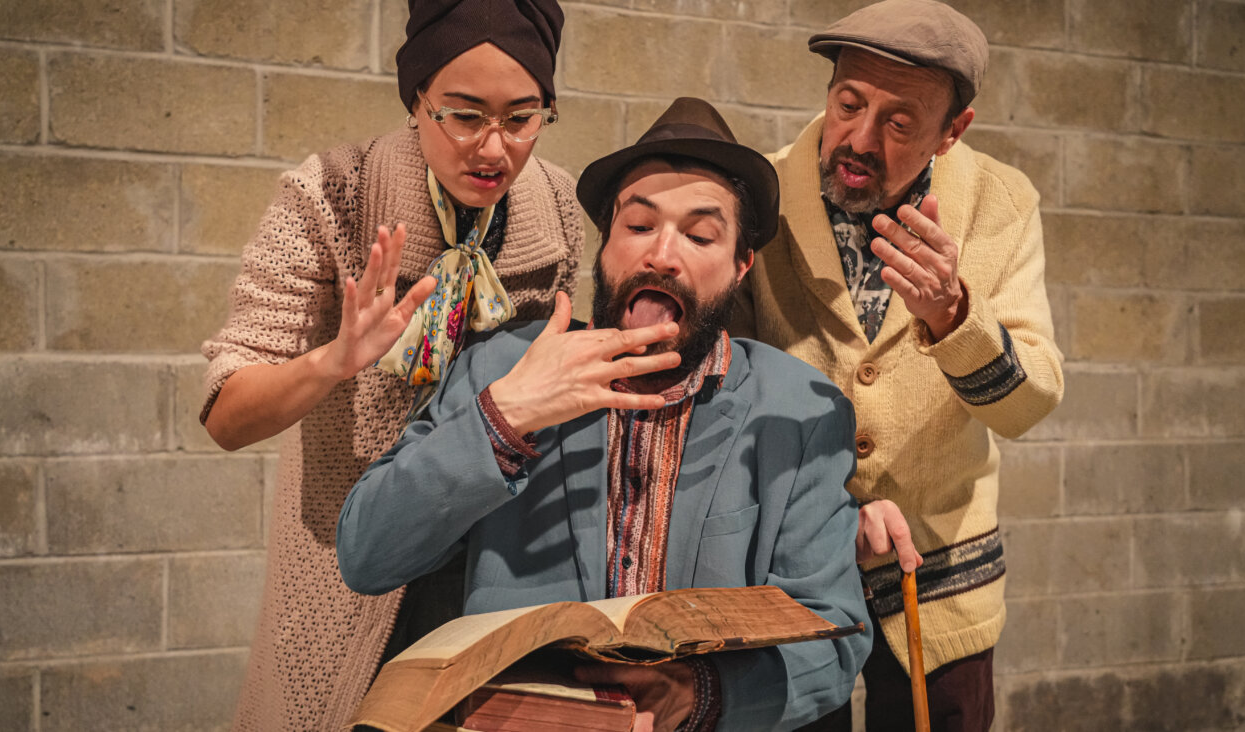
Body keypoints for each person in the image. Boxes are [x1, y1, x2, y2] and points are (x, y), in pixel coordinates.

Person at [337, 97, 872, 732]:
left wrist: (702, 694)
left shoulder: (797, 411)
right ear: (607, 245)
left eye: (701, 235)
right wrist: (504, 417)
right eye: (638, 226)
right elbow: (366, 554)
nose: (662, 256)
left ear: (740, 265)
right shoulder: (503, 367)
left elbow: (836, 638)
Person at [199, 0, 585, 728]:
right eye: (464, 116)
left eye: (522, 118)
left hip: (495, 567)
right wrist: (334, 361)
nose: (494, 149)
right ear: (417, 98)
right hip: (348, 568)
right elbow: (227, 416)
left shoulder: (558, 207)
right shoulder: (331, 196)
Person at [728, 1, 1066, 729]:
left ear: (954, 130)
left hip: (942, 576)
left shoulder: (1002, 205)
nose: (858, 137)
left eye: (900, 122)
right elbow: (729, 385)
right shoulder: (763, 193)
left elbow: (1028, 405)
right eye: (849, 103)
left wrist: (953, 318)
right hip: (791, 564)